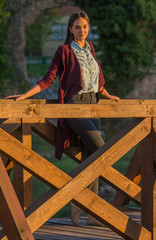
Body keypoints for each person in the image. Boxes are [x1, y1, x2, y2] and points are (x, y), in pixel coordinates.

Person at [6, 11, 120, 225]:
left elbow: (95, 80)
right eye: (77, 27)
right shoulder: (64, 51)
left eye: (85, 26)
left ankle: (91, 213)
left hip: (93, 105)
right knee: (102, 149)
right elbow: (49, 79)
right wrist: (24, 95)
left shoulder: (90, 49)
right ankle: (77, 200)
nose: (82, 30)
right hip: (74, 106)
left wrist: (106, 94)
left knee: (91, 157)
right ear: (70, 29)